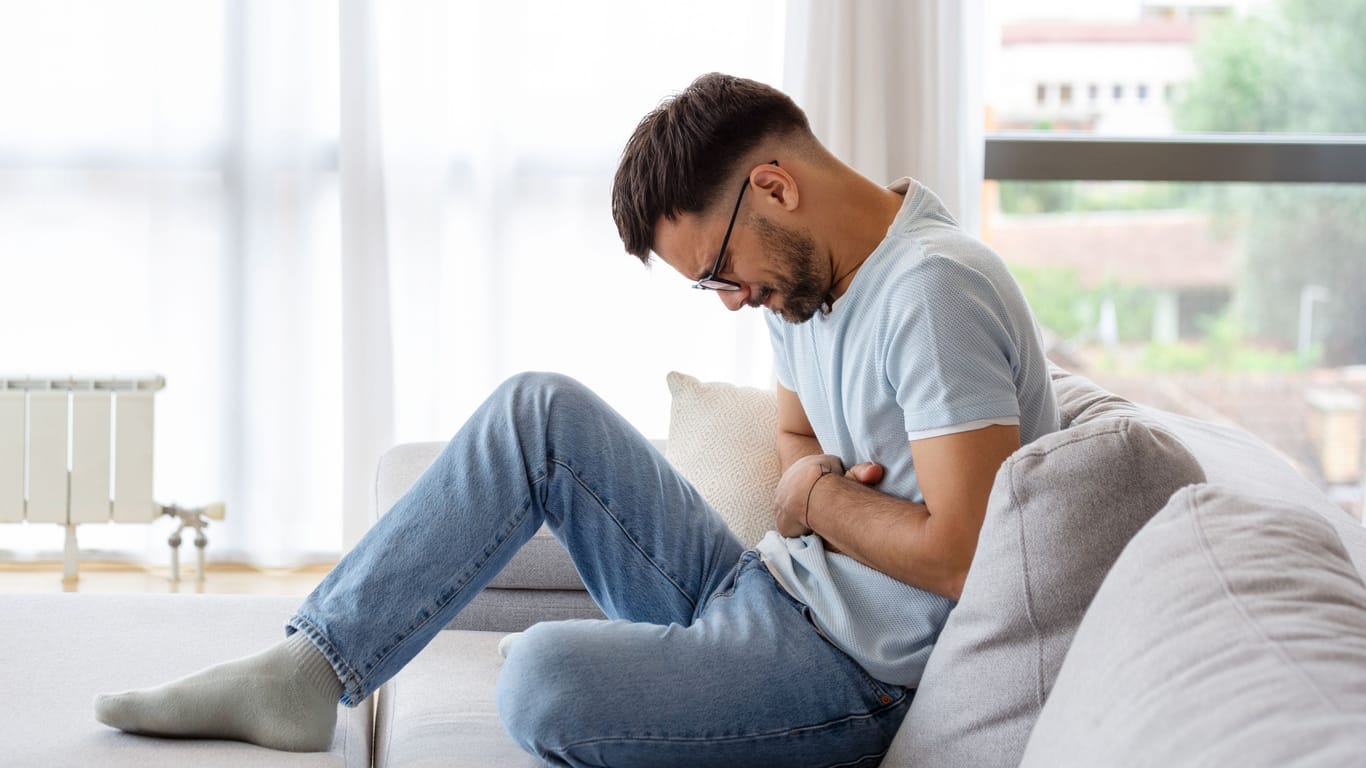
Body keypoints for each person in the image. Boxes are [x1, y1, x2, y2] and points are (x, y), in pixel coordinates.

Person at [94, 73, 1058, 767]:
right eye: (709, 286)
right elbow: (798, 445)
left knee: (541, 681)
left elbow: (964, 553)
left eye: (721, 271)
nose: (729, 301)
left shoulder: (933, 291)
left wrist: (814, 501)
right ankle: (306, 671)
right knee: (536, 410)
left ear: (773, 185)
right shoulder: (805, 288)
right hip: (768, 593)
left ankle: (642, 673)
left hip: (852, 677)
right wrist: (809, 488)